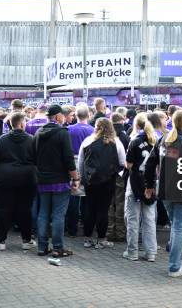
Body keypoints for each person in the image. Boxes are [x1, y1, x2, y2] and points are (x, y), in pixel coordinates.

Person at [145, 110, 182, 277]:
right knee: (179, 228)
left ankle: (178, 260)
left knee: (176, 227)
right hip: (181, 191)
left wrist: (150, 185)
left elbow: (150, 164)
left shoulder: (164, 141)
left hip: (165, 190)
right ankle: (175, 266)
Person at [33, 104, 79, 257]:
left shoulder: (39, 132)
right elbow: (68, 158)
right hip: (59, 180)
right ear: (58, 116)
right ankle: (58, 248)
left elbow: (33, 156)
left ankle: (42, 247)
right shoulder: (62, 133)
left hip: (42, 180)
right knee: (58, 215)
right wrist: (75, 177)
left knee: (43, 213)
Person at [0, 112, 38, 251]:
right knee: (25, 209)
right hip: (27, 179)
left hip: (4, 179)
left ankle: (0, 241)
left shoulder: (2, 139)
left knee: (4, 209)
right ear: (22, 123)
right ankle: (26, 240)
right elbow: (37, 160)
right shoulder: (31, 139)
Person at [78, 118, 126, 249]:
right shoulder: (116, 142)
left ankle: (87, 238)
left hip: (90, 181)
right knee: (103, 209)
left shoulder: (88, 141)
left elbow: (81, 162)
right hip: (108, 181)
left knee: (90, 208)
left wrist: (82, 178)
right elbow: (123, 162)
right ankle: (101, 239)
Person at [123, 113, 158, 262]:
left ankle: (132, 252)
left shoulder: (135, 141)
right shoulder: (156, 141)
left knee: (132, 218)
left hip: (136, 182)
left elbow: (128, 164)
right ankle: (150, 252)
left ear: (138, 125)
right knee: (149, 218)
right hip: (151, 182)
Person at [65, 106, 94, 236]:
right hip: (89, 164)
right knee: (87, 197)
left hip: (73, 163)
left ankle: (72, 228)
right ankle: (87, 227)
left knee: (73, 197)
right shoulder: (93, 131)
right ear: (88, 115)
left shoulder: (69, 129)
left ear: (76, 115)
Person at [107, 112, 129, 242]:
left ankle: (109, 231)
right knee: (120, 203)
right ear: (122, 121)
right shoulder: (124, 137)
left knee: (110, 203)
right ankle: (120, 232)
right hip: (120, 173)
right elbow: (125, 159)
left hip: (107, 174)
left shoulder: (105, 136)